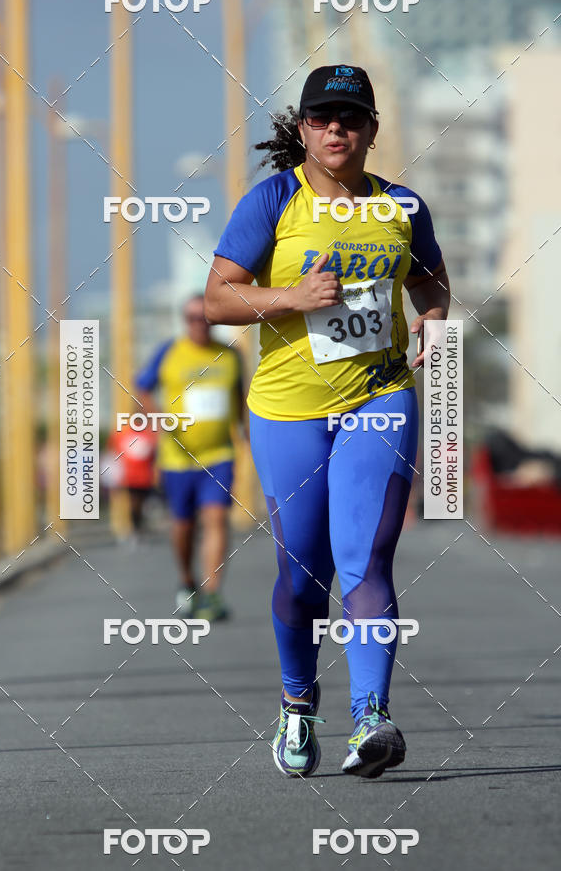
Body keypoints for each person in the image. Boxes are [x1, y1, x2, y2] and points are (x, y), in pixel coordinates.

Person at [204, 65, 450, 778]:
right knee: (302, 575)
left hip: (379, 396)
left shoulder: (403, 206)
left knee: (367, 560)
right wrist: (293, 297)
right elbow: (219, 299)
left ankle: (372, 716)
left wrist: (432, 321)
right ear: (304, 130)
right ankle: (297, 701)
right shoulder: (274, 199)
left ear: (372, 130)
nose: (335, 129)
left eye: (350, 118)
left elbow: (430, 278)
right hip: (288, 411)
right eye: (321, 119)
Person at [135, 294, 245, 622]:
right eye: (192, 318)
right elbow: (142, 387)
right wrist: (158, 419)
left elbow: (240, 398)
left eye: (205, 317)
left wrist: (248, 436)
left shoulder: (230, 356)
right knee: (182, 524)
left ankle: (212, 593)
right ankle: (187, 579)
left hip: (219, 453)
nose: (199, 324)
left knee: (216, 518)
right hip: (177, 458)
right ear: (184, 320)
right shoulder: (169, 352)